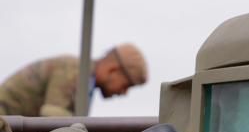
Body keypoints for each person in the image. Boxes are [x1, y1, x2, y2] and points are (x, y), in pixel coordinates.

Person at [0, 44, 148, 118]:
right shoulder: (75, 70)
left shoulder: (86, 85)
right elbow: (53, 120)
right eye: (126, 85)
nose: (124, 92)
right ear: (112, 70)